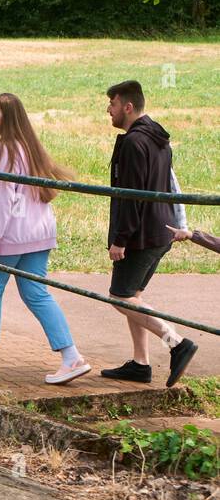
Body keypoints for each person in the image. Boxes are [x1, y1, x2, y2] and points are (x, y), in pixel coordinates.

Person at [0, 93, 90, 385]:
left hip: (9, 237)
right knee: (37, 294)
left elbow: (2, 198)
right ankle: (71, 356)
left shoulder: (6, 150)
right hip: (37, 235)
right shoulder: (30, 147)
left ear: (8, 118)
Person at [99, 80, 197, 387]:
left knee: (119, 298)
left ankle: (177, 343)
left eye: (112, 104)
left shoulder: (133, 143)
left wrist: (120, 240)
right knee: (133, 296)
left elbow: (132, 196)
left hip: (141, 236)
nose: (108, 109)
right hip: (160, 231)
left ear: (127, 107)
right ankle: (140, 364)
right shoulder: (158, 136)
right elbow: (169, 184)